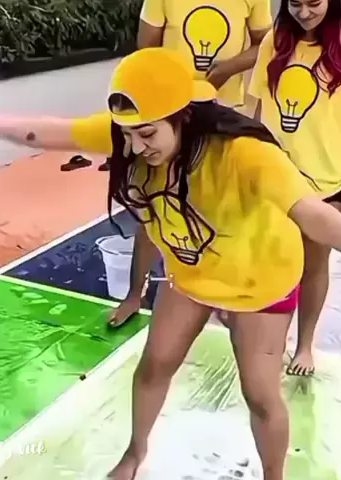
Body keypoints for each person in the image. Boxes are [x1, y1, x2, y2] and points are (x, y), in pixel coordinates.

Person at [0, 47, 341, 480]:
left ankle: (275, 476)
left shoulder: (243, 155)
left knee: (260, 395)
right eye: (127, 135)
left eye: (147, 134)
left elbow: (316, 216)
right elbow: (48, 132)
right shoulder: (132, 136)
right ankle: (134, 454)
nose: (135, 147)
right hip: (193, 275)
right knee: (154, 365)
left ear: (183, 116)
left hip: (260, 280)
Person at [101, 0, 273, 307]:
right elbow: (146, 52)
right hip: (167, 114)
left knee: (220, 204)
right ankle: (136, 292)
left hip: (220, 112)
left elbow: (266, 43)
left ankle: (225, 286)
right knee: (153, 199)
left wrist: (225, 70)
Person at [247, 0, 341, 375]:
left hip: (328, 179)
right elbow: (258, 110)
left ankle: (305, 344)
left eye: (314, 3)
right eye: (296, 4)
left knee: (314, 264)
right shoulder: (275, 41)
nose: (304, 13)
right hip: (276, 174)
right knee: (272, 261)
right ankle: (272, 340)